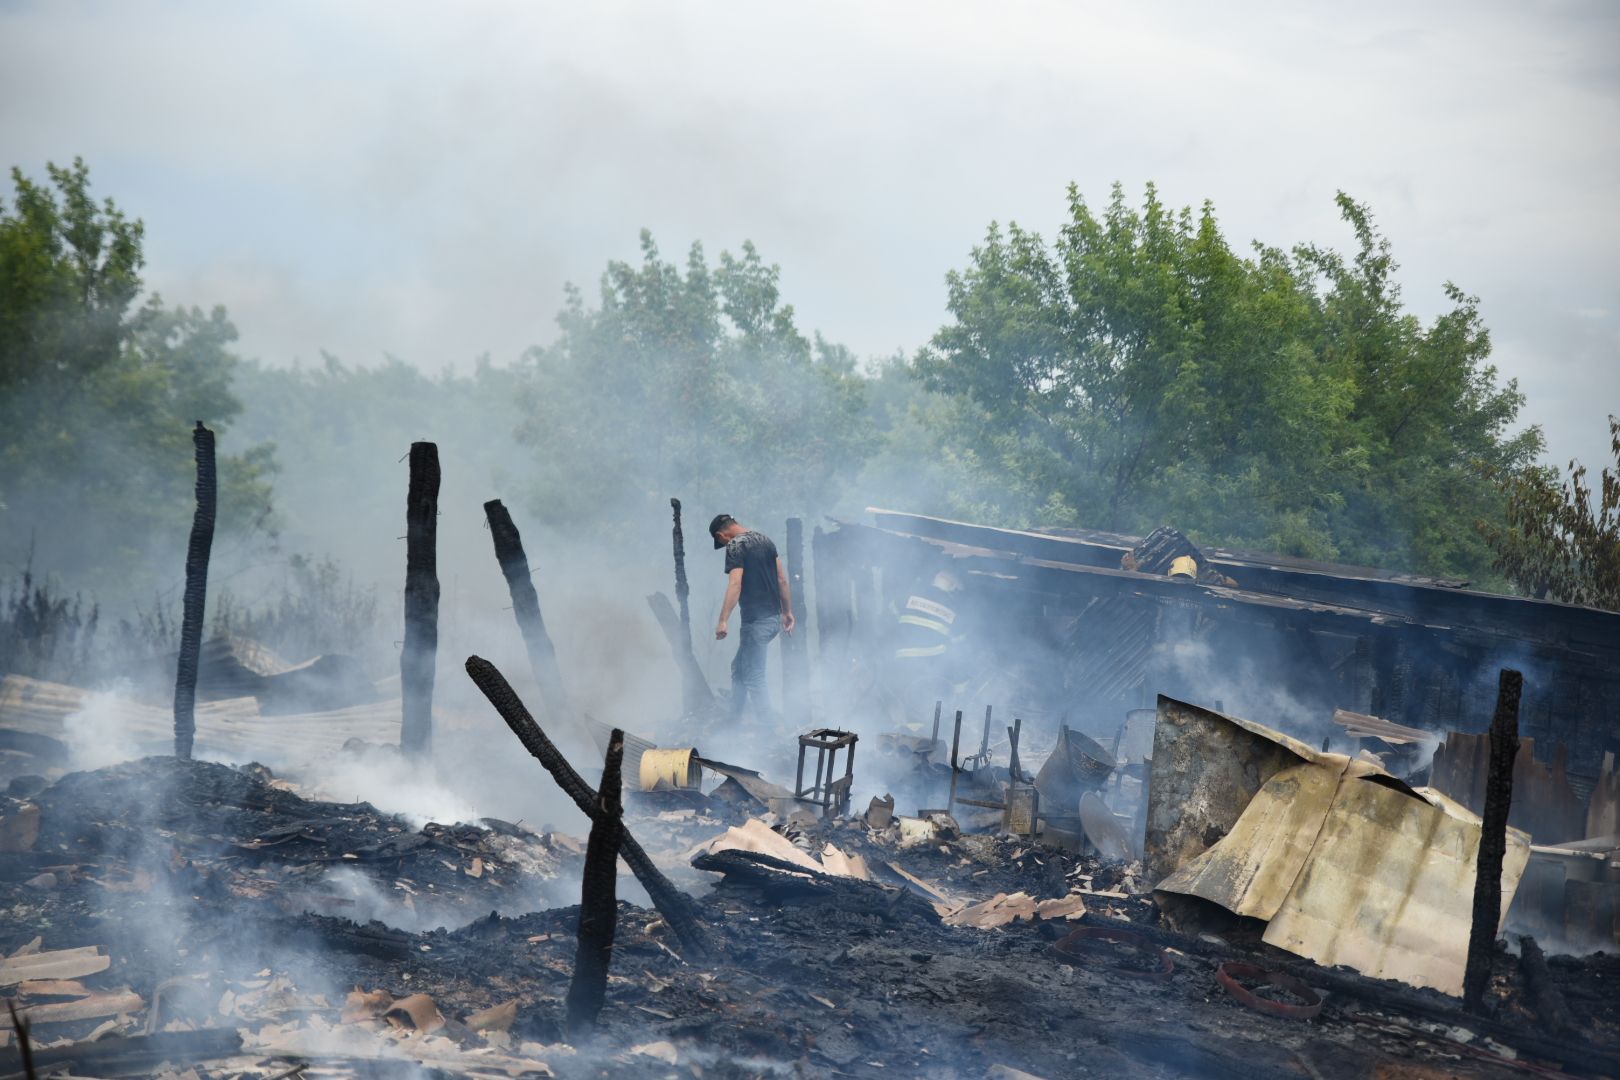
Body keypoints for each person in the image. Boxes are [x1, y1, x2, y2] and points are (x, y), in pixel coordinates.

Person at [709, 514, 795, 725]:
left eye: (722, 542)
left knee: (754, 676)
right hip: (772, 620)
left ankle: (769, 731)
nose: (725, 545)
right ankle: (733, 722)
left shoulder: (735, 545)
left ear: (721, 535)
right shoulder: (765, 540)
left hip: (756, 624)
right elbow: (782, 580)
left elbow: (735, 584)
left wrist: (723, 620)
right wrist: (787, 612)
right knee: (739, 670)